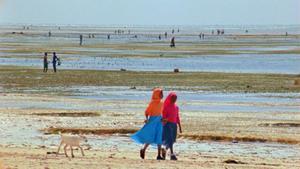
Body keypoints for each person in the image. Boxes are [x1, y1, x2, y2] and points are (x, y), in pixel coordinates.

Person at [131, 88, 165, 160]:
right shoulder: (152, 103)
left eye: (162, 93)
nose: (162, 95)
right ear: (157, 94)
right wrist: (146, 119)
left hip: (159, 121)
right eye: (161, 94)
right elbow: (147, 112)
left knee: (159, 137)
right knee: (151, 137)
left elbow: (162, 112)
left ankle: (159, 155)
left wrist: (163, 118)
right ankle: (143, 149)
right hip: (152, 121)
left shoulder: (162, 103)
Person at [162, 92, 182, 160]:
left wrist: (180, 126)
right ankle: (172, 154)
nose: (174, 99)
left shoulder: (176, 107)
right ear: (170, 98)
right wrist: (165, 120)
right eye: (173, 98)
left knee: (173, 140)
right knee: (170, 139)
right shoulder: (166, 107)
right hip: (168, 125)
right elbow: (163, 116)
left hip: (174, 125)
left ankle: (165, 149)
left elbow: (177, 117)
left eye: (175, 98)